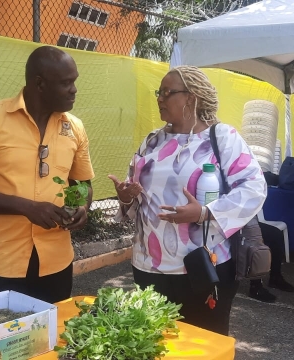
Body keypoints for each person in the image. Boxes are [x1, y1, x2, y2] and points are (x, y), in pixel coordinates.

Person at [109, 66, 267, 335]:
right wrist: (126, 198)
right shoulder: (151, 142)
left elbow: (254, 188)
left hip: (202, 268)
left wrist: (204, 213)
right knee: (155, 342)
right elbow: (137, 200)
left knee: (203, 344)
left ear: (192, 98)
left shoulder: (222, 139)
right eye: (159, 92)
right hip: (149, 265)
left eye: (167, 93)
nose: (159, 98)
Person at [0, 46, 95, 303]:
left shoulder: (74, 127)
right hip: (1, 261)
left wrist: (82, 206)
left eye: (74, 82)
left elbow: (82, 183)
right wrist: (26, 207)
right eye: (66, 83)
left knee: (53, 336)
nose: (74, 89)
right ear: (40, 84)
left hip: (56, 261)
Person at [248, 221, 294, 303]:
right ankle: (255, 286)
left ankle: (275, 277)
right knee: (256, 239)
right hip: (229, 224)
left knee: (275, 234)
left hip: (245, 220)